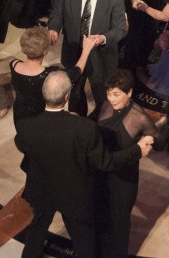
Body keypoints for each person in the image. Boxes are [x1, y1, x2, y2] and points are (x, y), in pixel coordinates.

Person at [16, 71, 152, 258]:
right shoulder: (84, 128)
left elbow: (22, 145)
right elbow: (105, 162)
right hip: (74, 196)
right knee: (84, 244)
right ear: (66, 97)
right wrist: (137, 150)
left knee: (37, 230)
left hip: (41, 190)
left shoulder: (26, 125)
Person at [94, 69, 162, 258]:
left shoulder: (139, 118)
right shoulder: (105, 106)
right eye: (109, 93)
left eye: (116, 94)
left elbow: (160, 142)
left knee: (120, 221)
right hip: (102, 171)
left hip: (123, 179)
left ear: (130, 93)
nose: (112, 99)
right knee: (101, 214)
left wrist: (148, 141)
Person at [47, 0, 127, 116]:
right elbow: (56, 13)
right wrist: (54, 28)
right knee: (75, 95)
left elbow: (120, 29)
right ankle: (79, 126)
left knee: (102, 99)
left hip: (101, 57)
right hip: (73, 51)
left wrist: (101, 38)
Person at [10, 26, 98, 125]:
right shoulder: (51, 74)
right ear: (45, 52)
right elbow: (75, 74)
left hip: (20, 117)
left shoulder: (14, 64)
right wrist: (86, 50)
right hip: (42, 119)